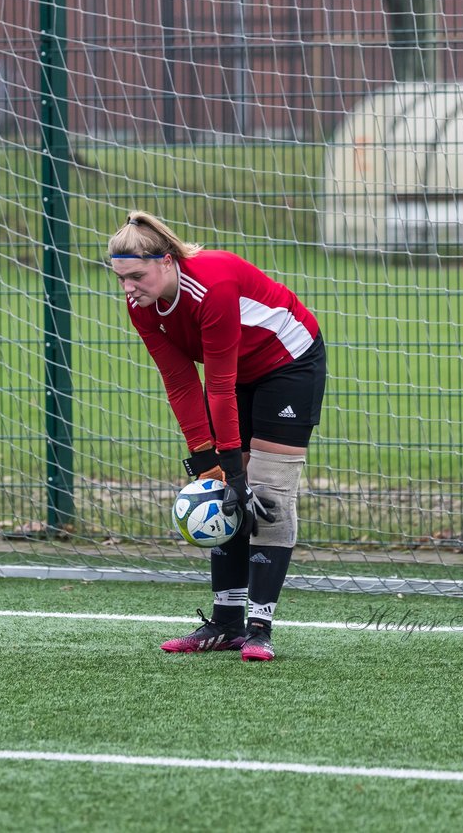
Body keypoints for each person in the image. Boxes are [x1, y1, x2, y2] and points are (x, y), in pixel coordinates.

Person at [107, 211, 327, 662]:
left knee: (268, 492)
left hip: (288, 362)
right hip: (238, 373)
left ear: (166, 262)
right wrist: (210, 464)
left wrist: (236, 472)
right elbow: (182, 384)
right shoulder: (141, 306)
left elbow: (219, 385)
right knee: (225, 491)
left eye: (136, 276)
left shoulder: (212, 285)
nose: (128, 288)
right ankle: (226, 623)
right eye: (121, 278)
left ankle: (260, 627)